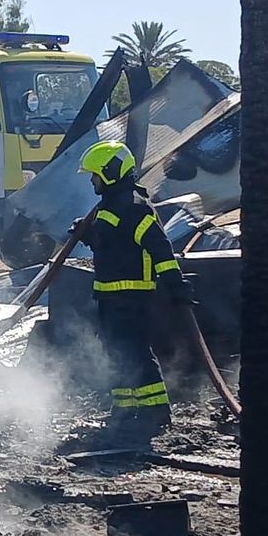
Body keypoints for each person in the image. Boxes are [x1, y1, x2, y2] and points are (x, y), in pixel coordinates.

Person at [71, 140, 192, 447]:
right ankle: (125, 407)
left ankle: (155, 410)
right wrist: (88, 235)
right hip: (109, 294)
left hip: (132, 295)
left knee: (136, 352)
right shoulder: (111, 206)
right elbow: (111, 245)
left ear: (110, 173)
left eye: (95, 174)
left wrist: (175, 285)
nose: (91, 180)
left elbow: (160, 249)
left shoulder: (135, 208)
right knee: (117, 353)